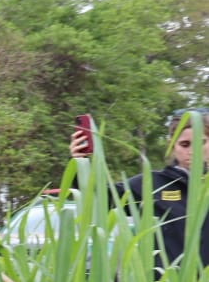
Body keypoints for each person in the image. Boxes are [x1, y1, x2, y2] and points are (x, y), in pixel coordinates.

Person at [70, 107, 209, 267]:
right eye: (185, 144)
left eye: (201, 143)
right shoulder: (151, 184)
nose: (193, 151)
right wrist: (81, 164)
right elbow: (100, 198)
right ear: (172, 145)